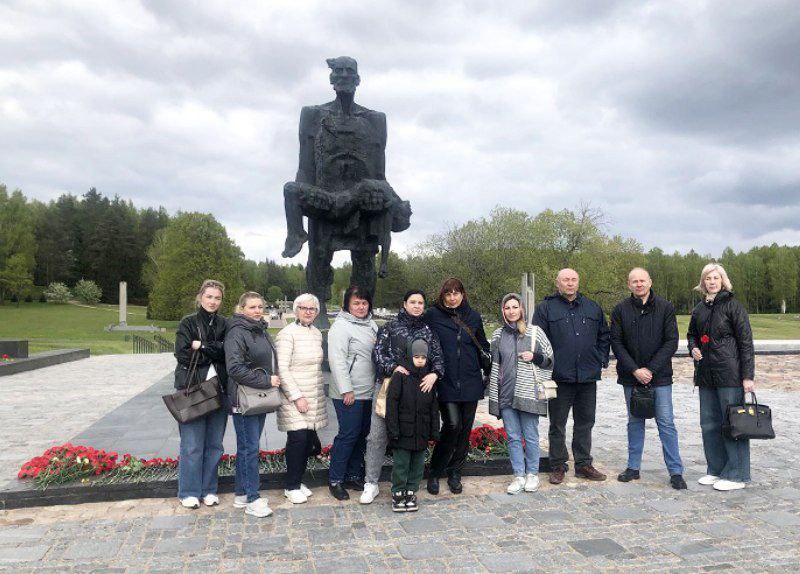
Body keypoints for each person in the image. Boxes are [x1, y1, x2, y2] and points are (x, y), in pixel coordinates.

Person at [363, 289, 444, 504]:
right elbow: (378, 353)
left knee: (413, 435)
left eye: (420, 303)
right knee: (377, 435)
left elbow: (438, 357)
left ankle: (408, 486)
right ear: (405, 304)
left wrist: (435, 374)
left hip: (418, 390)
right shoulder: (389, 327)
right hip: (389, 386)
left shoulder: (428, 331)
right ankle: (371, 482)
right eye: (413, 302)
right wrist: (394, 367)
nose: (417, 306)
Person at [611, 268, 687, 490]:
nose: (639, 284)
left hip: (659, 376)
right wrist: (635, 370)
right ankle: (633, 467)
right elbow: (617, 343)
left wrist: (650, 369)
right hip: (631, 376)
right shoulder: (620, 310)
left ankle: (675, 471)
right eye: (634, 281)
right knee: (635, 422)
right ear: (629, 284)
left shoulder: (665, 307)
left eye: (642, 280)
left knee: (666, 423)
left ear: (650, 282)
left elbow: (671, 341)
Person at [534, 268, 610, 485]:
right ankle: (558, 465)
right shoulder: (546, 308)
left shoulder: (592, 307)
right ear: (557, 283)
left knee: (585, 422)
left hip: (587, 376)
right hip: (559, 377)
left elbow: (604, 335)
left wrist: (600, 359)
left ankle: (583, 464)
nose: (570, 283)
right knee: (557, 424)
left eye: (573, 279)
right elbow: (537, 340)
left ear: (578, 282)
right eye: (565, 280)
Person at [687, 263, 755, 491]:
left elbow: (746, 343)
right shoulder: (699, 309)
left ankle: (737, 474)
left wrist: (748, 376)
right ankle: (716, 470)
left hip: (730, 374)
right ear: (703, 282)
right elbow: (691, 335)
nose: (712, 282)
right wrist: (693, 348)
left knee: (733, 424)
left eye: (716, 278)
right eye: (708, 278)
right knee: (709, 424)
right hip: (706, 375)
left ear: (723, 281)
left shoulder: (734, 306)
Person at [424, 278, 490, 495]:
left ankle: (455, 472)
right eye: (448, 294)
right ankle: (435, 471)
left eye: (456, 293)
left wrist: (490, 369)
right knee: (452, 425)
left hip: (470, 381)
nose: (452, 298)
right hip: (446, 380)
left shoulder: (473, 316)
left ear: (463, 294)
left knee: (464, 430)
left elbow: (483, 346)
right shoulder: (433, 315)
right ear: (442, 295)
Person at [487, 293, 554, 495]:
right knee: (513, 437)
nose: (511, 311)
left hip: (528, 393)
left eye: (515, 307)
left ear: (521, 309)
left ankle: (532, 474)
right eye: (507, 308)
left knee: (531, 436)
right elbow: (494, 365)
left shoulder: (535, 332)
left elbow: (550, 359)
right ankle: (518, 475)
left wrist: (534, 356)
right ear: (503, 311)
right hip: (506, 394)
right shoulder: (498, 335)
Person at [224, 292, 281, 518]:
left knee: (247, 447)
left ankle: (241, 494)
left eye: (260, 307)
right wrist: (267, 380)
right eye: (252, 307)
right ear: (241, 309)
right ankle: (252, 499)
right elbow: (235, 368)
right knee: (250, 449)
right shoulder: (237, 332)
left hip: (257, 397)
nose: (257, 311)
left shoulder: (259, 329)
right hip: (245, 398)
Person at [174, 280, 229, 509]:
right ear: (200, 297)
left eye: (217, 298)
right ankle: (189, 492)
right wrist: (213, 350)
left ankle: (208, 490)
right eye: (209, 297)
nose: (213, 301)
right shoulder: (188, 323)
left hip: (219, 390)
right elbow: (183, 354)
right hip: (193, 390)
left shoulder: (225, 324)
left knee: (215, 444)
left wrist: (202, 346)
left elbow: (227, 353)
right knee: (192, 444)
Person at [326, 286, 379, 500]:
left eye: (364, 303)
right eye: (356, 303)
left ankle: (354, 474)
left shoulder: (372, 325)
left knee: (361, 435)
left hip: (368, 391)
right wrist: (346, 389)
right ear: (347, 305)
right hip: (349, 392)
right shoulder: (341, 327)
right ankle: (335, 479)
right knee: (348, 435)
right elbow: (337, 361)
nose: (361, 307)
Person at [275, 293, 326, 504]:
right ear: (296, 310)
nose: (308, 312)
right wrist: (297, 397)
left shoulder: (316, 333)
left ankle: (298, 479)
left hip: (313, 395)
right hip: (294, 396)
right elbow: (282, 368)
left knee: (306, 442)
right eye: (303, 308)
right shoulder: (287, 334)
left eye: (312, 309)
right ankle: (291, 486)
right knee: (297, 440)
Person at [386, 338, 440, 512]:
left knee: (417, 464)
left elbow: (434, 407)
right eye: (416, 357)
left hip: (421, 430)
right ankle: (398, 492)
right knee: (401, 464)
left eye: (423, 357)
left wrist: (434, 431)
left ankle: (411, 490)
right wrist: (393, 430)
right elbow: (392, 405)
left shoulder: (428, 378)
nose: (420, 360)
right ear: (410, 355)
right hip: (403, 430)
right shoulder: (400, 376)